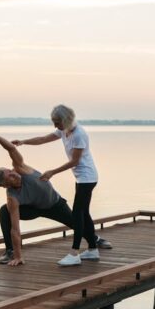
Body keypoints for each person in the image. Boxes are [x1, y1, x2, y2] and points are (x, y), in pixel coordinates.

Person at [0, 128, 97, 267]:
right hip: (32, 208)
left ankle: (94, 239)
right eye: (9, 176)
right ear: (5, 185)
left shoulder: (20, 168)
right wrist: (18, 256)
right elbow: (15, 229)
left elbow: (11, 148)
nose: (12, 173)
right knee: (5, 211)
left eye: (9, 171)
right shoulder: (12, 198)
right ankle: (10, 251)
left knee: (76, 223)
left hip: (54, 204)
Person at [12, 104, 111, 266]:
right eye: (54, 122)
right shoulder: (64, 131)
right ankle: (93, 250)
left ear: (66, 120)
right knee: (84, 213)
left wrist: (52, 172)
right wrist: (23, 142)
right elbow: (43, 139)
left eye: (57, 122)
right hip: (82, 178)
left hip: (87, 177)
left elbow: (74, 161)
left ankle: (74, 254)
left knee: (78, 215)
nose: (55, 125)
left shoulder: (79, 134)